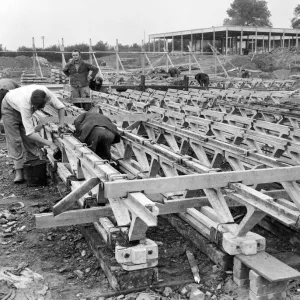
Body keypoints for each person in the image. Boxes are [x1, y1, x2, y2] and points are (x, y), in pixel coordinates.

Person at [1, 85, 65, 183]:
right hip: (9, 108)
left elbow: (61, 107)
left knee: (30, 141)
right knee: (15, 140)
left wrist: (61, 124)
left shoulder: (46, 93)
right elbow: (30, 133)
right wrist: (50, 143)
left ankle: (35, 167)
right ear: (32, 105)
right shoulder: (25, 105)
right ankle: (19, 172)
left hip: (19, 102)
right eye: (37, 108)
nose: (41, 108)